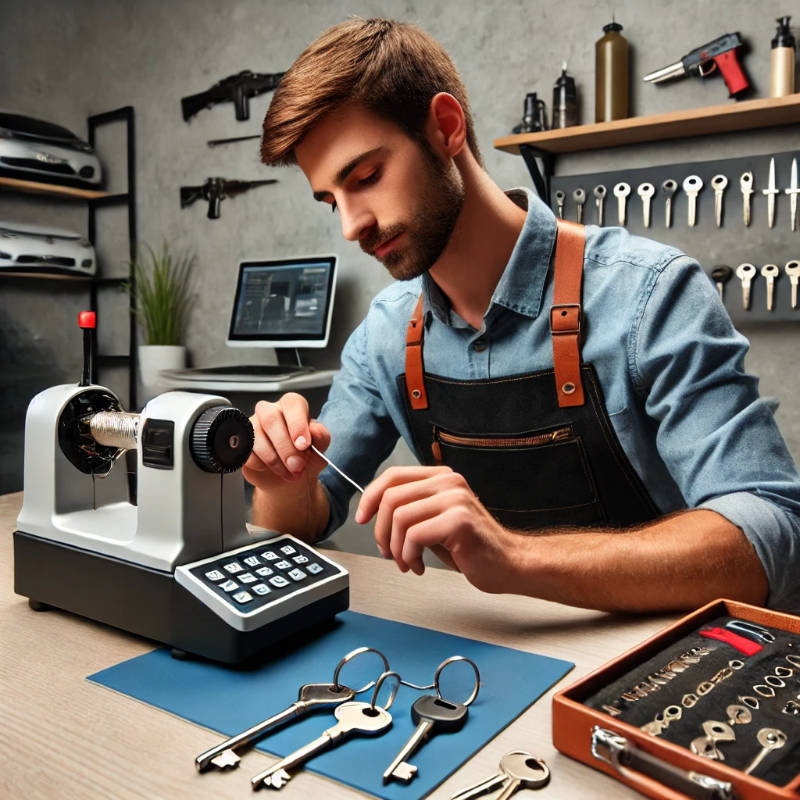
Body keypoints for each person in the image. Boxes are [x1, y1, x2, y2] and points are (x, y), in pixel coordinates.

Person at [244, 17, 800, 613]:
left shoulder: (649, 295)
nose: (352, 225)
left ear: (446, 128)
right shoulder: (384, 335)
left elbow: (773, 534)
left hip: (650, 665)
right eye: (333, 200)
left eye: (367, 177)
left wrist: (514, 557)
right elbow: (303, 524)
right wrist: (281, 480)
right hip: (487, 664)